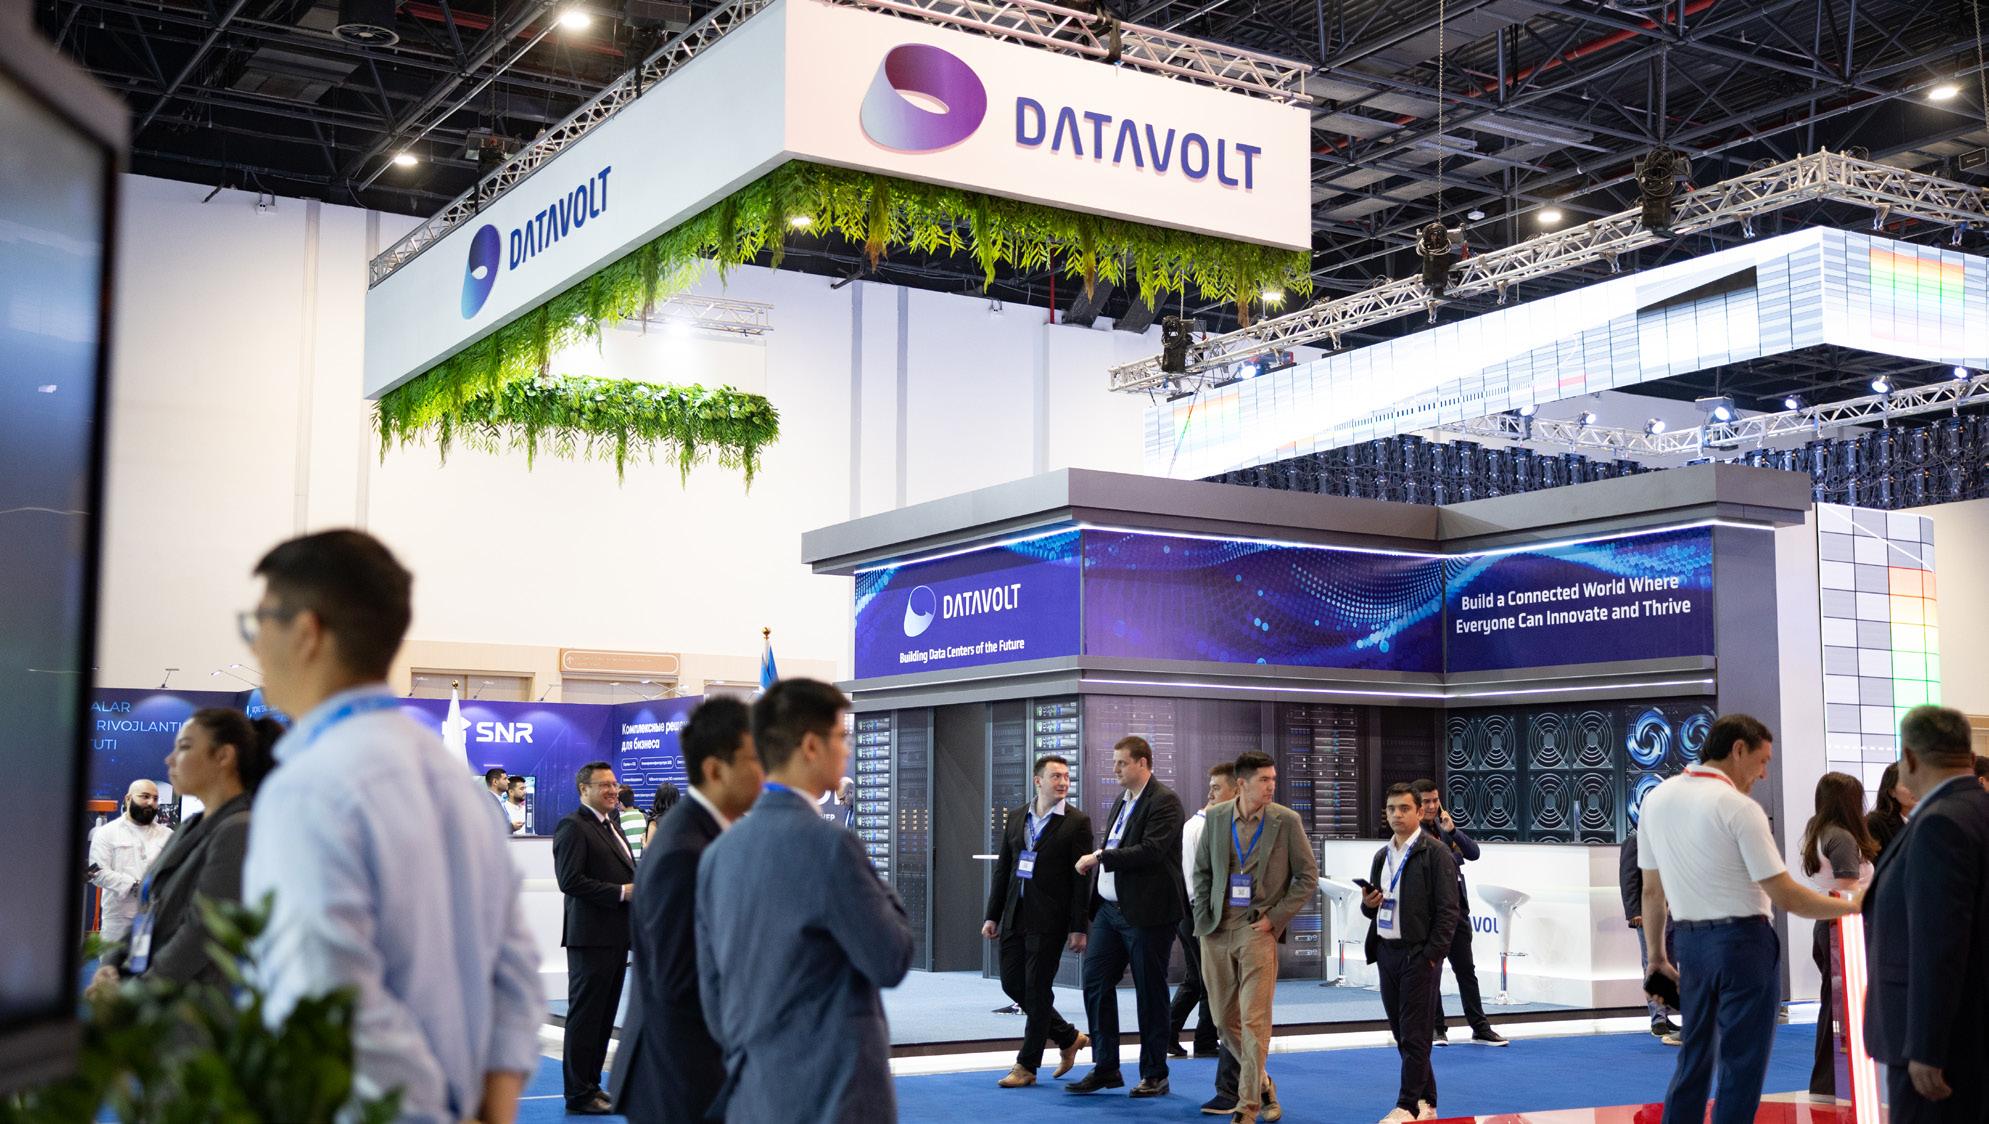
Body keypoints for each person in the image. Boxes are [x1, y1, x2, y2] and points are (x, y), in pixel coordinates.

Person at [241, 529, 541, 1124]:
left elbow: (329, 1004)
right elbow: (515, 967)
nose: (254, 645)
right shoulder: (453, 779)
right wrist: (490, 1107)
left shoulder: (309, 788)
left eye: (260, 622)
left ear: (306, 632)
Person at [697, 679, 913, 1122]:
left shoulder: (719, 851)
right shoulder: (831, 845)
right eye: (841, 737)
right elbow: (890, 958)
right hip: (834, 1096)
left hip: (753, 1091)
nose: (847, 750)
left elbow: (712, 991)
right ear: (811, 746)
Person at [1638, 713, 1857, 1124]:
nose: (1763, 773)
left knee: (1693, 1060)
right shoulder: (1739, 808)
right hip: (1743, 945)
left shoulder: (1656, 799)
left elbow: (1652, 891)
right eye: (1763, 760)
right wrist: (1854, 905)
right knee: (1742, 1064)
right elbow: (1785, 895)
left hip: (1690, 945)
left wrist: (1657, 958)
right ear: (1738, 750)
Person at [612, 697, 763, 1123]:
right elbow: (680, 979)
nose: (765, 773)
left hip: (691, 1072)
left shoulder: (705, 835)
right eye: (754, 760)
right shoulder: (685, 850)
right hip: (681, 1079)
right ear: (715, 769)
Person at [89, 710, 279, 994]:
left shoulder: (238, 829)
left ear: (223, 756)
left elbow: (201, 933)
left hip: (191, 1002)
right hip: (154, 991)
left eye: (185, 747)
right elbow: (151, 911)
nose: (170, 759)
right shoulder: (189, 826)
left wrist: (137, 991)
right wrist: (115, 964)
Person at [1863, 705, 1989, 1124]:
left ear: (1910, 758)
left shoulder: (1939, 824)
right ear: (1969, 757)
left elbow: (1939, 945)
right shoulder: (1975, 809)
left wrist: (1926, 1045)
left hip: (1940, 1045)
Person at [1192, 751, 1317, 1124]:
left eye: (1273, 779)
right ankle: (1263, 1083)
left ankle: (1246, 1106)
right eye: (1264, 780)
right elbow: (1201, 872)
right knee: (1222, 1020)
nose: (1271, 786)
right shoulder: (1216, 817)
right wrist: (1203, 916)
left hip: (1257, 930)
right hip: (1216, 930)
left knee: (1254, 1020)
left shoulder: (1285, 821)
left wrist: (1275, 918)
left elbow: (1307, 876)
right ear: (1242, 784)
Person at [1069, 735, 1186, 1098]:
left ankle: (1155, 1074)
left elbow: (1151, 850)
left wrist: (1100, 856)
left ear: (1142, 763)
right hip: (1109, 911)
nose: (1115, 769)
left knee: (1150, 992)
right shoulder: (1123, 800)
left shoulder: (1164, 801)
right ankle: (1106, 1067)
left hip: (1147, 913)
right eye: (1115, 762)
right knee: (1095, 983)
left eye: (1121, 762)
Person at [982, 754, 1094, 1088]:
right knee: (1012, 984)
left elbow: (1080, 880)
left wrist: (1078, 926)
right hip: (1015, 913)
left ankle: (1027, 1065)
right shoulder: (1018, 817)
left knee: (1037, 988)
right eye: (1056, 776)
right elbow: (1004, 869)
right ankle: (1068, 1036)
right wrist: (992, 915)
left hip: (1051, 919)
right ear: (1038, 781)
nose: (1063, 782)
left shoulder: (1077, 822)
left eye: (1066, 777)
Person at [1361, 783, 1459, 1124]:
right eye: (1391, 809)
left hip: (1419, 955)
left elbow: (1449, 911)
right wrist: (1368, 904)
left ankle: (1407, 1105)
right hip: (1387, 951)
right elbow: (1373, 909)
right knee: (1402, 1033)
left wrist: (1432, 955)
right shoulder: (1382, 856)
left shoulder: (1436, 853)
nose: (1397, 815)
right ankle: (1427, 1101)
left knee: (1416, 1034)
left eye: (1404, 808)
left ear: (1419, 812)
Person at [555, 761, 636, 1115]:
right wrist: (621, 892)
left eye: (614, 784)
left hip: (616, 937)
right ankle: (578, 1093)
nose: (612, 790)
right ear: (583, 789)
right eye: (604, 785)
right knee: (586, 1017)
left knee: (603, 1017)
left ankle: (592, 1086)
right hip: (590, 938)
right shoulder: (573, 826)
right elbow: (570, 880)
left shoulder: (612, 824)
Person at [1799, 771, 1877, 1097]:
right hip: (1843, 928)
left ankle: (1831, 1083)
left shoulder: (1819, 831)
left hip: (1832, 926)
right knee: (1841, 1009)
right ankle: (1836, 1084)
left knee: (1835, 1006)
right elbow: (1849, 892)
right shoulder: (1841, 837)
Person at [1412, 778, 1507, 1047]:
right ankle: (1436, 1028)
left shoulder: (1444, 828)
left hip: (1457, 912)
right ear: (1416, 805)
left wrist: (1453, 831)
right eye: (1426, 802)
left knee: (1466, 971)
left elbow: (1473, 853)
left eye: (1435, 800)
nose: (1432, 806)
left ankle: (1480, 1027)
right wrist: (1452, 856)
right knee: (1432, 974)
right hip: (1430, 917)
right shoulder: (1413, 835)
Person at [1171, 763, 1237, 1065]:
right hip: (1199, 912)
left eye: (1216, 788)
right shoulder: (1202, 827)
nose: (1211, 793)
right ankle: (1205, 1039)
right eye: (1211, 788)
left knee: (1197, 978)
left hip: (1196, 912)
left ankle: (1170, 1033)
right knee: (1211, 979)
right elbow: (1197, 879)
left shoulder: (1208, 824)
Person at [88, 778, 171, 943]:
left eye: (155, 798)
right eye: (145, 796)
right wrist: (134, 885)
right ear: (128, 799)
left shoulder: (168, 835)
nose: (151, 802)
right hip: (118, 921)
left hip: (156, 917)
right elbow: (97, 872)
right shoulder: (106, 833)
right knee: (114, 960)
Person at [1618, 827, 1680, 1043]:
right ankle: (1658, 1019)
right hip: (1648, 914)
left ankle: (1664, 1015)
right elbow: (1628, 878)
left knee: (1670, 963)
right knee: (1652, 963)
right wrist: (1633, 912)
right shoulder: (1634, 840)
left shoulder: (1669, 838)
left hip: (1674, 911)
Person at [1867, 761, 1916, 858]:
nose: (1915, 789)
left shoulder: (1930, 819)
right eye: (1908, 784)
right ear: (1891, 791)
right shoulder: (1875, 822)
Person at [641, 781, 681, 850]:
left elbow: (649, 851)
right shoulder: (683, 820)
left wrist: (644, 843)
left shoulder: (655, 822)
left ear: (658, 799)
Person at [617, 784, 647, 861]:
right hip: (642, 859)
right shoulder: (644, 816)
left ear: (621, 803)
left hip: (628, 860)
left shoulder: (620, 819)